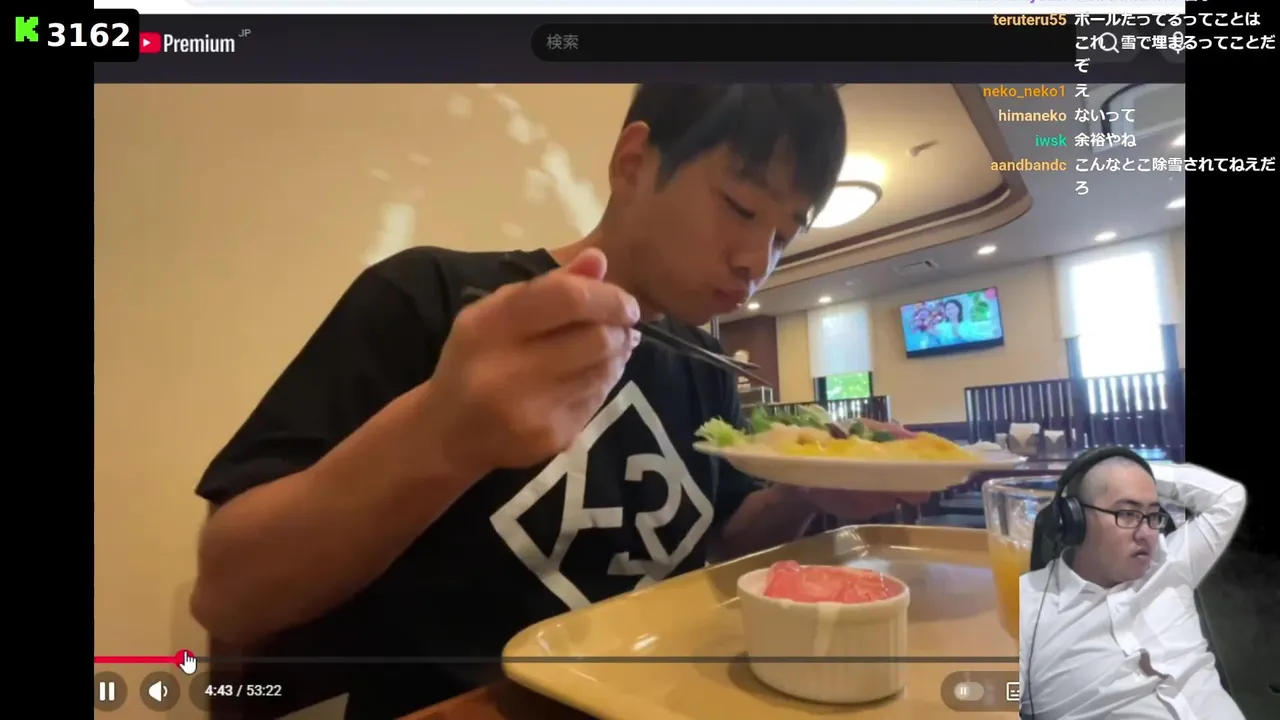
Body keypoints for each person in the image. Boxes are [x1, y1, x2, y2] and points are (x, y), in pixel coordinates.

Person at [189, 84, 928, 720]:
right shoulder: (431, 299)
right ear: (633, 163)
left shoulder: (702, 368)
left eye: (783, 237)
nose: (755, 263)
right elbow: (228, 595)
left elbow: (723, 541)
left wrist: (808, 489)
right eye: (740, 207)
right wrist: (445, 432)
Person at [1018, 452, 1247, 720]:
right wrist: (1095, 475)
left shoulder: (1171, 563)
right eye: (1127, 514)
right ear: (1074, 520)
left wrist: (1134, 472)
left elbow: (1229, 497)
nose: (1148, 534)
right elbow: (998, 701)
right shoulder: (1024, 605)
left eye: (1153, 515)